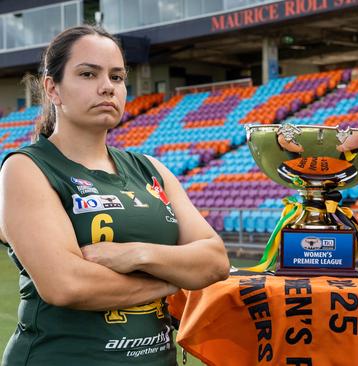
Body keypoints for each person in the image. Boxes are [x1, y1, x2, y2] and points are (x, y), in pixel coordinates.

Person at [0, 25, 230, 365]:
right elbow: (67, 285)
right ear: (53, 88)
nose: (107, 87)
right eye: (88, 74)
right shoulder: (26, 168)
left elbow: (215, 261)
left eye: (117, 77)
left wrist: (137, 255)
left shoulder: (151, 169)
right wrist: (172, 280)